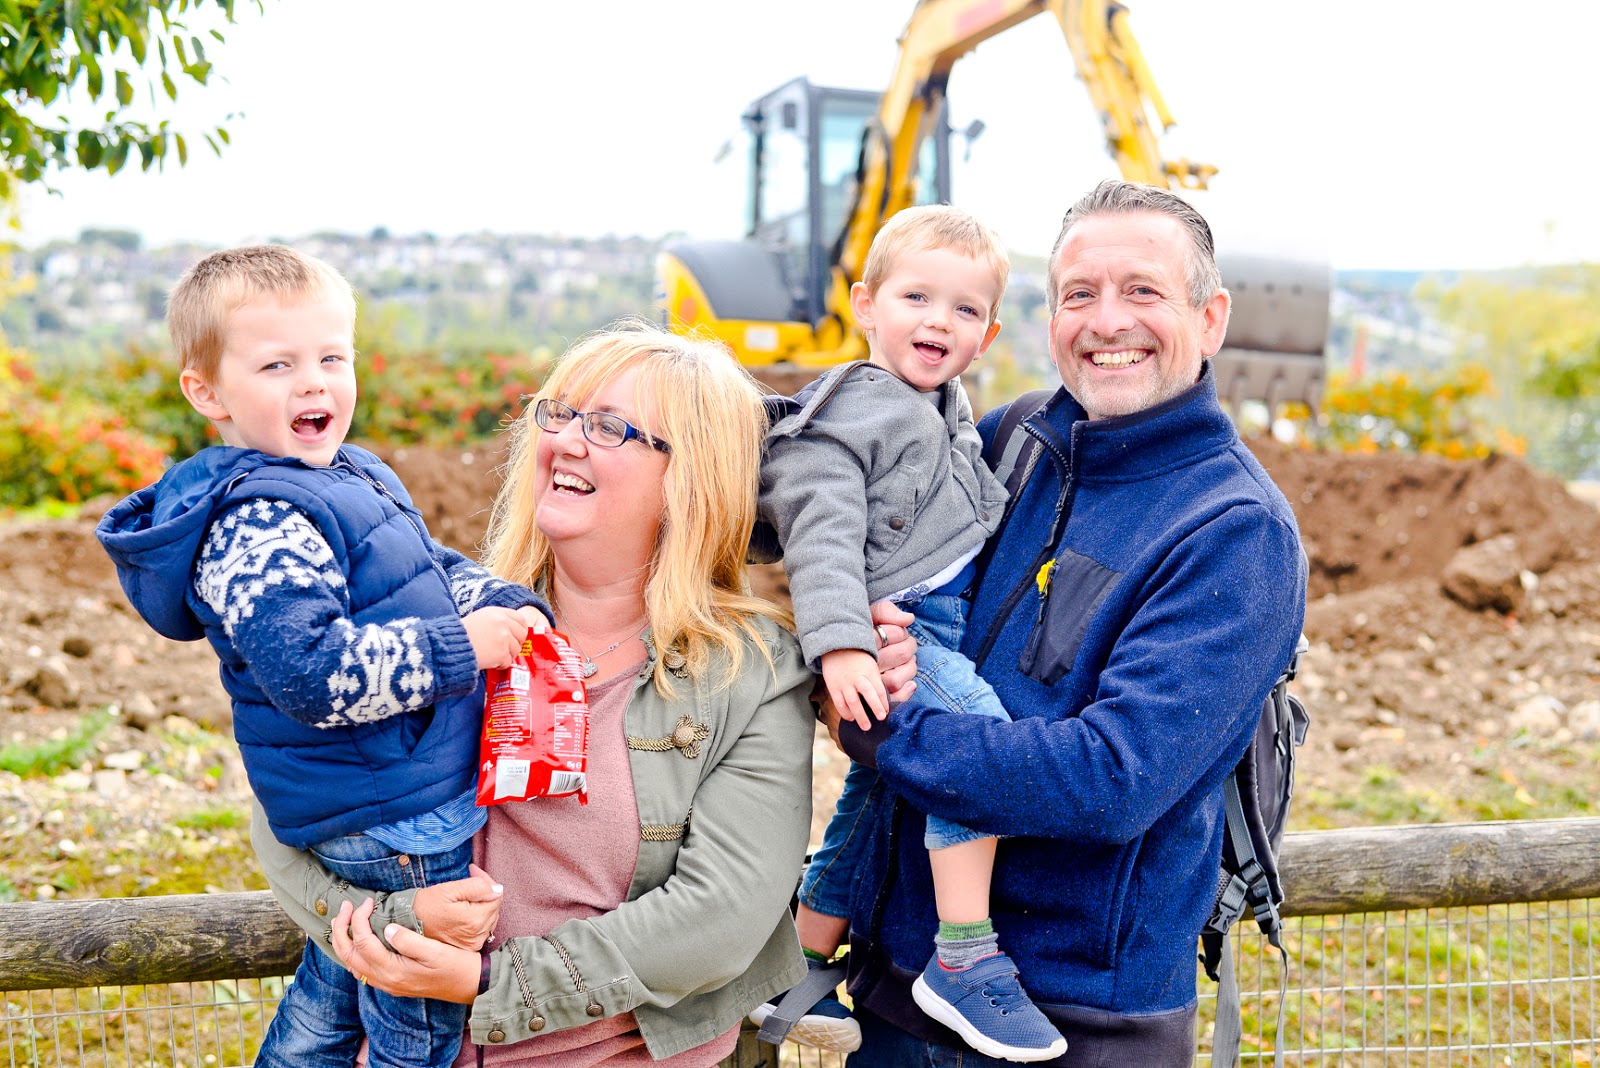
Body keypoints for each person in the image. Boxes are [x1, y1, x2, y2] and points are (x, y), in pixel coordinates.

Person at [248, 324, 915, 1067]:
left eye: (607, 427)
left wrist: (491, 985)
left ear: (690, 477)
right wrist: (396, 922)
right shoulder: (442, 625)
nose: (565, 441)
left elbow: (720, 914)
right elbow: (294, 805)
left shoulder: (751, 673)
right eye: (558, 414)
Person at [831, 180, 1308, 1067]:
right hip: (900, 1002)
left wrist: (881, 724)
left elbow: (1110, 780)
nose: (1105, 320)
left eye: (1142, 292)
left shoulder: (1236, 533)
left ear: (1210, 318)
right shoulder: (1013, 443)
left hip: (1075, 1027)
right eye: (1078, 295)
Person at [95, 245, 551, 1068]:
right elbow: (309, 672)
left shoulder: (349, 472)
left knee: (339, 980)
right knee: (415, 1001)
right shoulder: (260, 524)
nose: (315, 383)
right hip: (393, 805)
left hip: (386, 784)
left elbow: (422, 565)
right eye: (277, 364)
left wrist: (496, 597)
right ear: (207, 392)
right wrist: (461, 646)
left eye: (331, 358)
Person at [752, 205, 1066, 1062]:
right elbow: (819, 533)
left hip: (940, 621)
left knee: (881, 790)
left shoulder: (946, 408)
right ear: (865, 303)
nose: (938, 321)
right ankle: (964, 957)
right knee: (976, 743)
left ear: (990, 332)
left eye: (964, 310)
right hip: (895, 628)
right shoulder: (851, 413)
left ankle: (795, 956)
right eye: (916, 296)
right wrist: (843, 641)